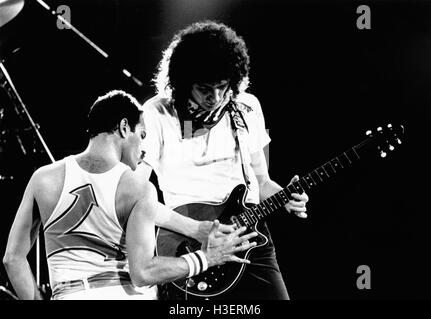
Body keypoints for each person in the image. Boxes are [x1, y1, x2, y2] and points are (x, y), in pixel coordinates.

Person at [2, 90, 257, 300]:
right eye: (142, 135)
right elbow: (143, 272)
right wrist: (205, 258)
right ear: (124, 128)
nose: (144, 149)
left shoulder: (43, 179)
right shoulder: (137, 187)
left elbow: (12, 259)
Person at [139, 21, 309, 300]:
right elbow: (134, 195)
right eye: (204, 88)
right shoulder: (156, 113)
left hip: (249, 236)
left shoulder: (248, 107)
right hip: (188, 242)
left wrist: (287, 197)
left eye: (222, 86)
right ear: (183, 82)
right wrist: (197, 230)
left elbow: (261, 181)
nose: (214, 98)